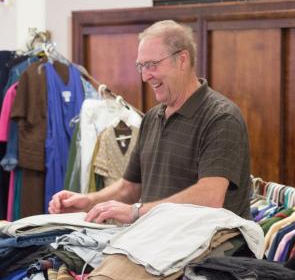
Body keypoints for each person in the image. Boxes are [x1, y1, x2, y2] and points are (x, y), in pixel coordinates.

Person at [48, 20, 251, 223]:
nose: (145, 76)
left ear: (182, 60)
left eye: (152, 65)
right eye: (141, 66)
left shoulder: (221, 118)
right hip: (157, 242)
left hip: (209, 247)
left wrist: (136, 211)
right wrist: (88, 201)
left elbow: (210, 197)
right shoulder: (152, 118)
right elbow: (130, 187)